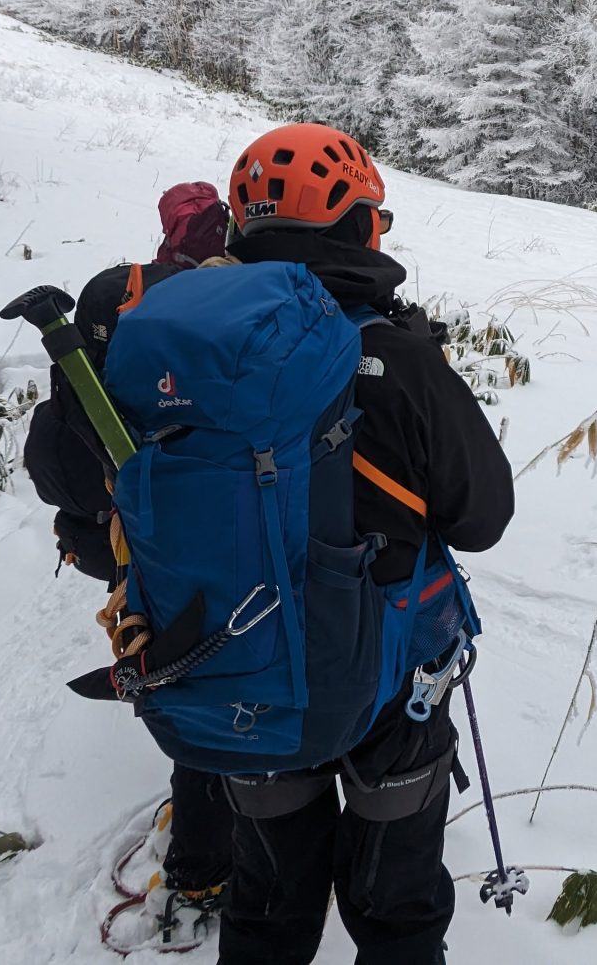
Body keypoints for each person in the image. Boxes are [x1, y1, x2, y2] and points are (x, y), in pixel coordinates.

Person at [214, 122, 515, 965]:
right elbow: (481, 519)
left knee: (268, 903)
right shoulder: (395, 358)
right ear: (355, 228)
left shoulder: (191, 353)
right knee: (396, 903)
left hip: (239, 668)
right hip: (392, 673)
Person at [21, 179, 237, 942]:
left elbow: (75, 431)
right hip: (231, 531)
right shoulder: (257, 293)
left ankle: (203, 862)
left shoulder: (116, 294)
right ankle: (214, 860)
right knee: (228, 681)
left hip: (132, 532)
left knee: (181, 677)